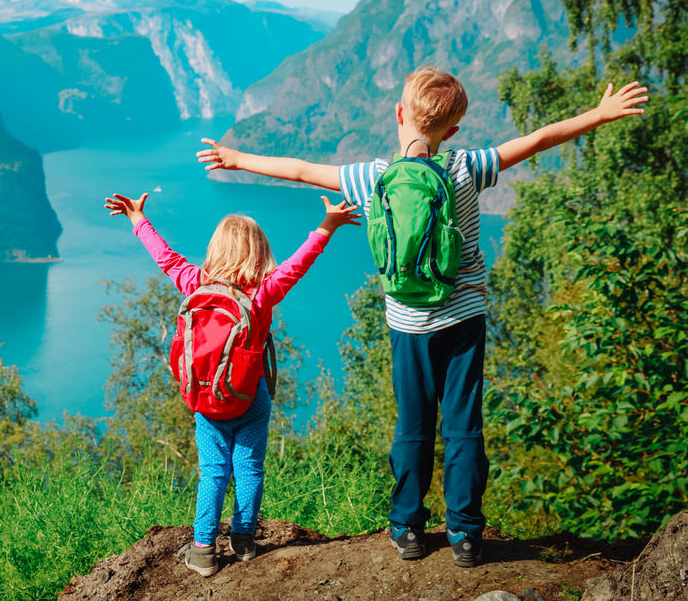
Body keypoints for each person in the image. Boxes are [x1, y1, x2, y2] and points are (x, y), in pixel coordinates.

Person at [196, 66, 648, 568]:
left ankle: (408, 528)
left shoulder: (373, 177)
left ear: (399, 114)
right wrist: (599, 115)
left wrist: (236, 159)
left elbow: (301, 170)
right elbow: (539, 140)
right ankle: (466, 534)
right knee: (463, 427)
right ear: (452, 131)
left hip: (407, 326)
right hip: (464, 321)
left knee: (413, 426)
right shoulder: (468, 167)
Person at [105, 190, 360, 577]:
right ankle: (243, 541)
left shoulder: (196, 284)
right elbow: (298, 264)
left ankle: (204, 550)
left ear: (216, 248)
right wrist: (328, 224)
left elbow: (166, 258)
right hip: (250, 396)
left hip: (206, 398)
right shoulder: (262, 293)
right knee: (250, 468)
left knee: (213, 471)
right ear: (258, 253)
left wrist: (138, 220)